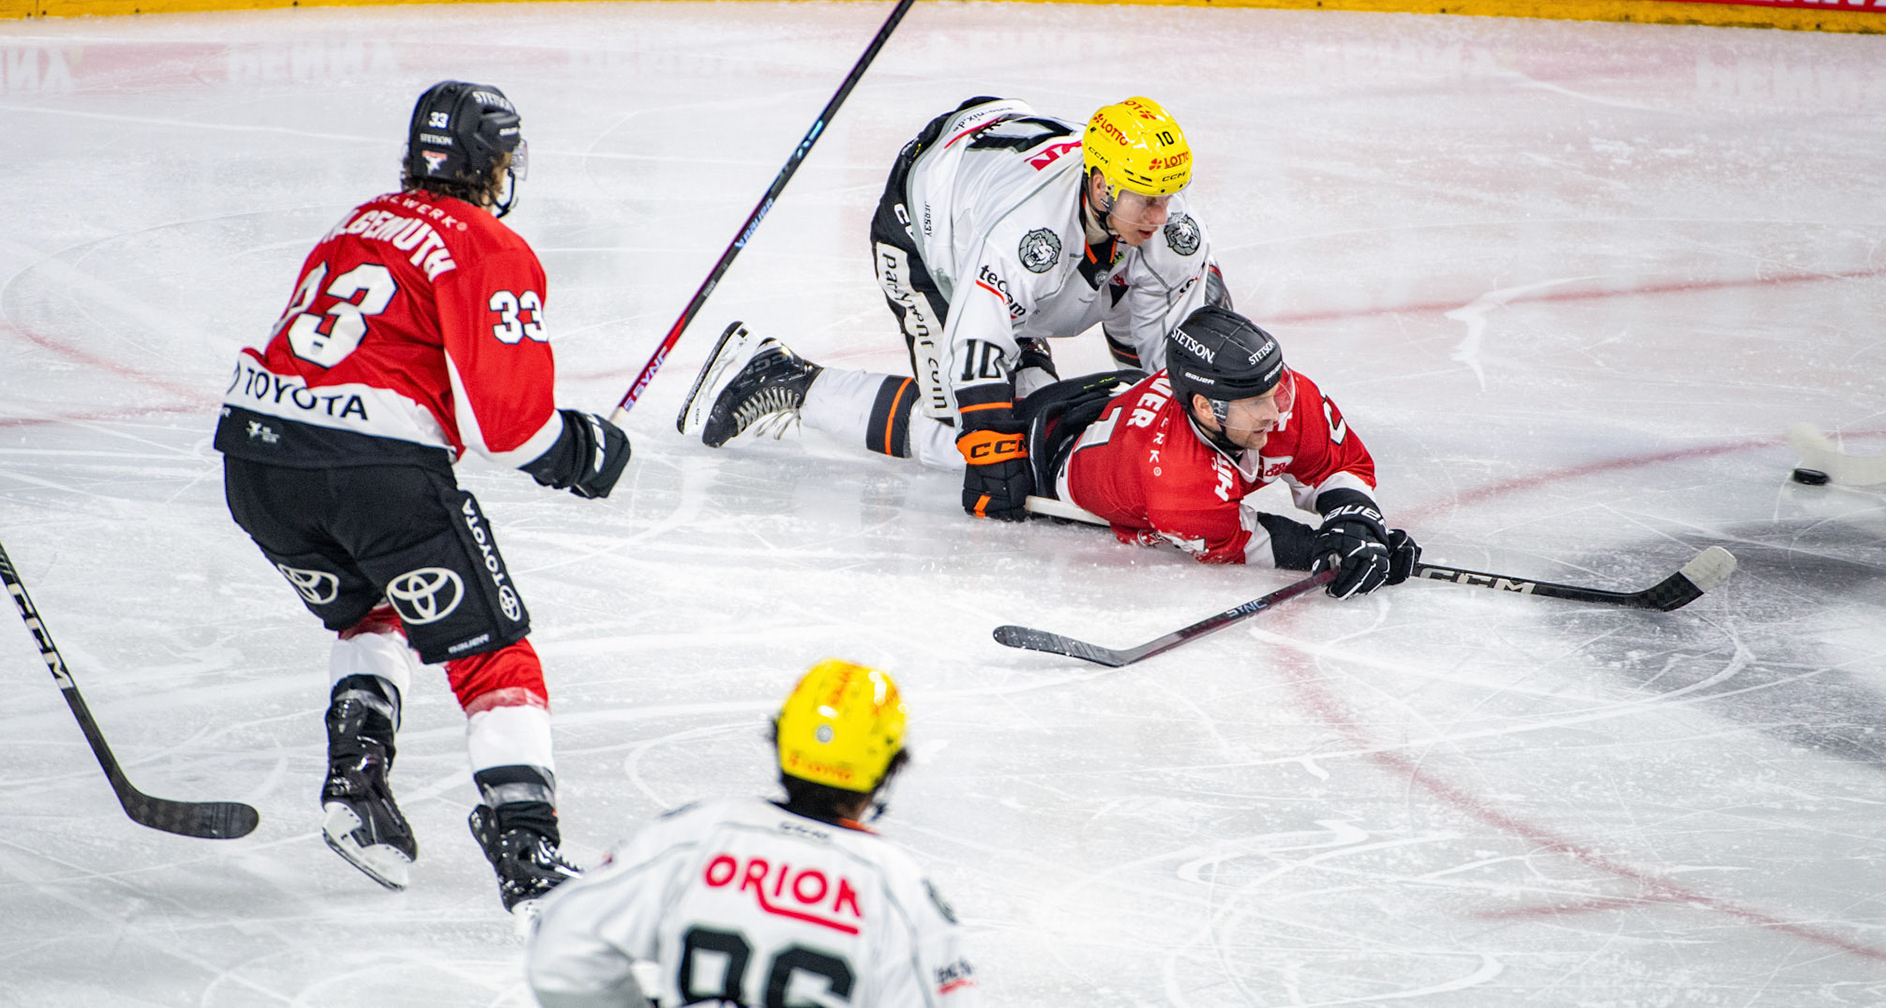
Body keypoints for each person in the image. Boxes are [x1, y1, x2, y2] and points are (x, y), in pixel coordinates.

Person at [214, 80, 631, 917]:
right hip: (370, 474)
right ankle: (529, 853)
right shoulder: (487, 247)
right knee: (494, 656)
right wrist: (580, 450)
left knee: (370, 611)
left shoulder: (362, 219)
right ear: (492, 160)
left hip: (256, 461)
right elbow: (510, 430)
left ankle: (356, 783)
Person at [679, 95, 1225, 523]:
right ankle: (785, 378)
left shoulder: (1168, 230)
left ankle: (1023, 348)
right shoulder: (1024, 228)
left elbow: (1162, 362)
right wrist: (987, 439)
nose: (1161, 213)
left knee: (1041, 425)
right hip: (927, 226)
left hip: (995, 156)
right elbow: (975, 345)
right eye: (1148, 198)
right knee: (956, 433)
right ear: (1101, 185)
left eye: (1170, 195)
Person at [524, 659, 979, 1007]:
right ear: (888, 765)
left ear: (781, 738)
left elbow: (562, 953)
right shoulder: (897, 890)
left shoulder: (696, 835)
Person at [1037, 305, 1419, 597]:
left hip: (1113, 402)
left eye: (1277, 393)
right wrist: (1331, 550)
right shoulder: (1177, 481)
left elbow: (1334, 463)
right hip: (1050, 460)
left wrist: (1358, 520)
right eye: (1256, 403)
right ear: (1205, 407)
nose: (1275, 413)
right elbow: (1243, 539)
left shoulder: (1279, 396)